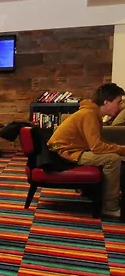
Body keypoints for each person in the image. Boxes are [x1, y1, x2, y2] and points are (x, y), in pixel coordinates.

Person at [48, 83, 125, 217]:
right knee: (112, 159)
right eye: (118, 102)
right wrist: (121, 150)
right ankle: (110, 207)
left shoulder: (93, 113)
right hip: (63, 153)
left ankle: (93, 192)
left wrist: (119, 149)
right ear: (106, 102)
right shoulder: (89, 114)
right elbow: (97, 147)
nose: (120, 106)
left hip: (72, 149)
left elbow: (96, 143)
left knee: (113, 155)